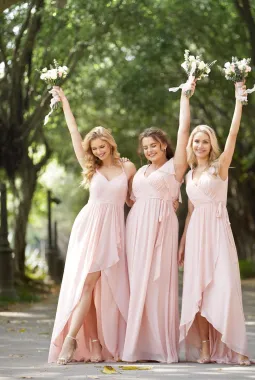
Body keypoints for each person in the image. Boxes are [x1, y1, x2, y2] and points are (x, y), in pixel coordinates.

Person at [48, 87, 136, 364]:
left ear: (111, 144)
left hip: (113, 231)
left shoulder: (128, 168)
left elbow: (135, 197)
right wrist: (65, 102)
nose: (98, 151)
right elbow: (74, 133)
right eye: (94, 148)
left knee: (96, 289)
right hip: (89, 227)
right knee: (87, 285)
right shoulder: (92, 168)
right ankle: (76, 342)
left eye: (102, 146)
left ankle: (91, 343)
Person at [122, 79, 196, 363]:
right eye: (146, 147)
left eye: (154, 145)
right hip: (135, 230)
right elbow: (129, 200)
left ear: (164, 144)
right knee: (136, 283)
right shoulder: (139, 171)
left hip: (162, 228)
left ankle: (160, 347)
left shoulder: (174, 167)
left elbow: (184, 130)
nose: (150, 150)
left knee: (158, 284)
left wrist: (185, 96)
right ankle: (135, 346)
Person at [178, 82, 252, 365]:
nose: (200, 145)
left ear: (211, 145)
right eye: (196, 141)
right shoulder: (189, 176)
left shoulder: (219, 166)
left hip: (218, 232)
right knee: (197, 291)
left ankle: (238, 348)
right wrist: (183, 243)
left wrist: (238, 100)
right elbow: (189, 212)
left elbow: (233, 133)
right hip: (196, 234)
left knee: (225, 287)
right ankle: (206, 349)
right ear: (191, 145)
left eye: (205, 141)